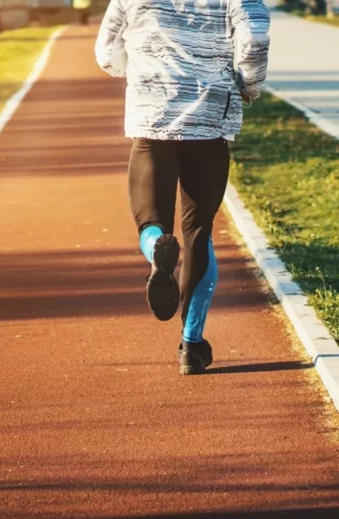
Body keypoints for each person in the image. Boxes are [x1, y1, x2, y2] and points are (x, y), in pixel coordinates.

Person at [95, 0, 270, 375]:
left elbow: (106, 49)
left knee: (150, 221)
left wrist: (136, 72)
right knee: (198, 233)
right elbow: (254, 39)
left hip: (151, 120)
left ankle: (157, 248)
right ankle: (191, 345)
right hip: (208, 124)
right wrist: (248, 86)